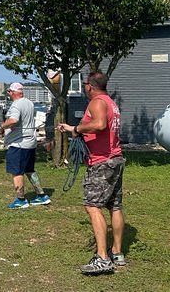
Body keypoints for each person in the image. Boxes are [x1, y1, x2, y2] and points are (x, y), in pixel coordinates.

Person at [58, 71, 125, 275]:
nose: (84, 87)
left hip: (101, 162)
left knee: (92, 206)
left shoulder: (96, 102)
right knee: (115, 205)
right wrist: (72, 128)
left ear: (90, 86)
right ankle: (117, 252)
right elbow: (101, 127)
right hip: (115, 159)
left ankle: (103, 257)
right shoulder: (110, 102)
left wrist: (77, 129)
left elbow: (99, 125)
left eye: (85, 84)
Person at [0, 82, 50, 209]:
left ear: (13, 92)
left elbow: (14, 120)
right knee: (29, 170)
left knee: (17, 172)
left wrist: (3, 126)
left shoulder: (16, 105)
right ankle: (42, 196)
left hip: (19, 144)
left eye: (9, 92)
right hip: (30, 143)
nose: (9, 94)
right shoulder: (28, 102)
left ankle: (21, 200)